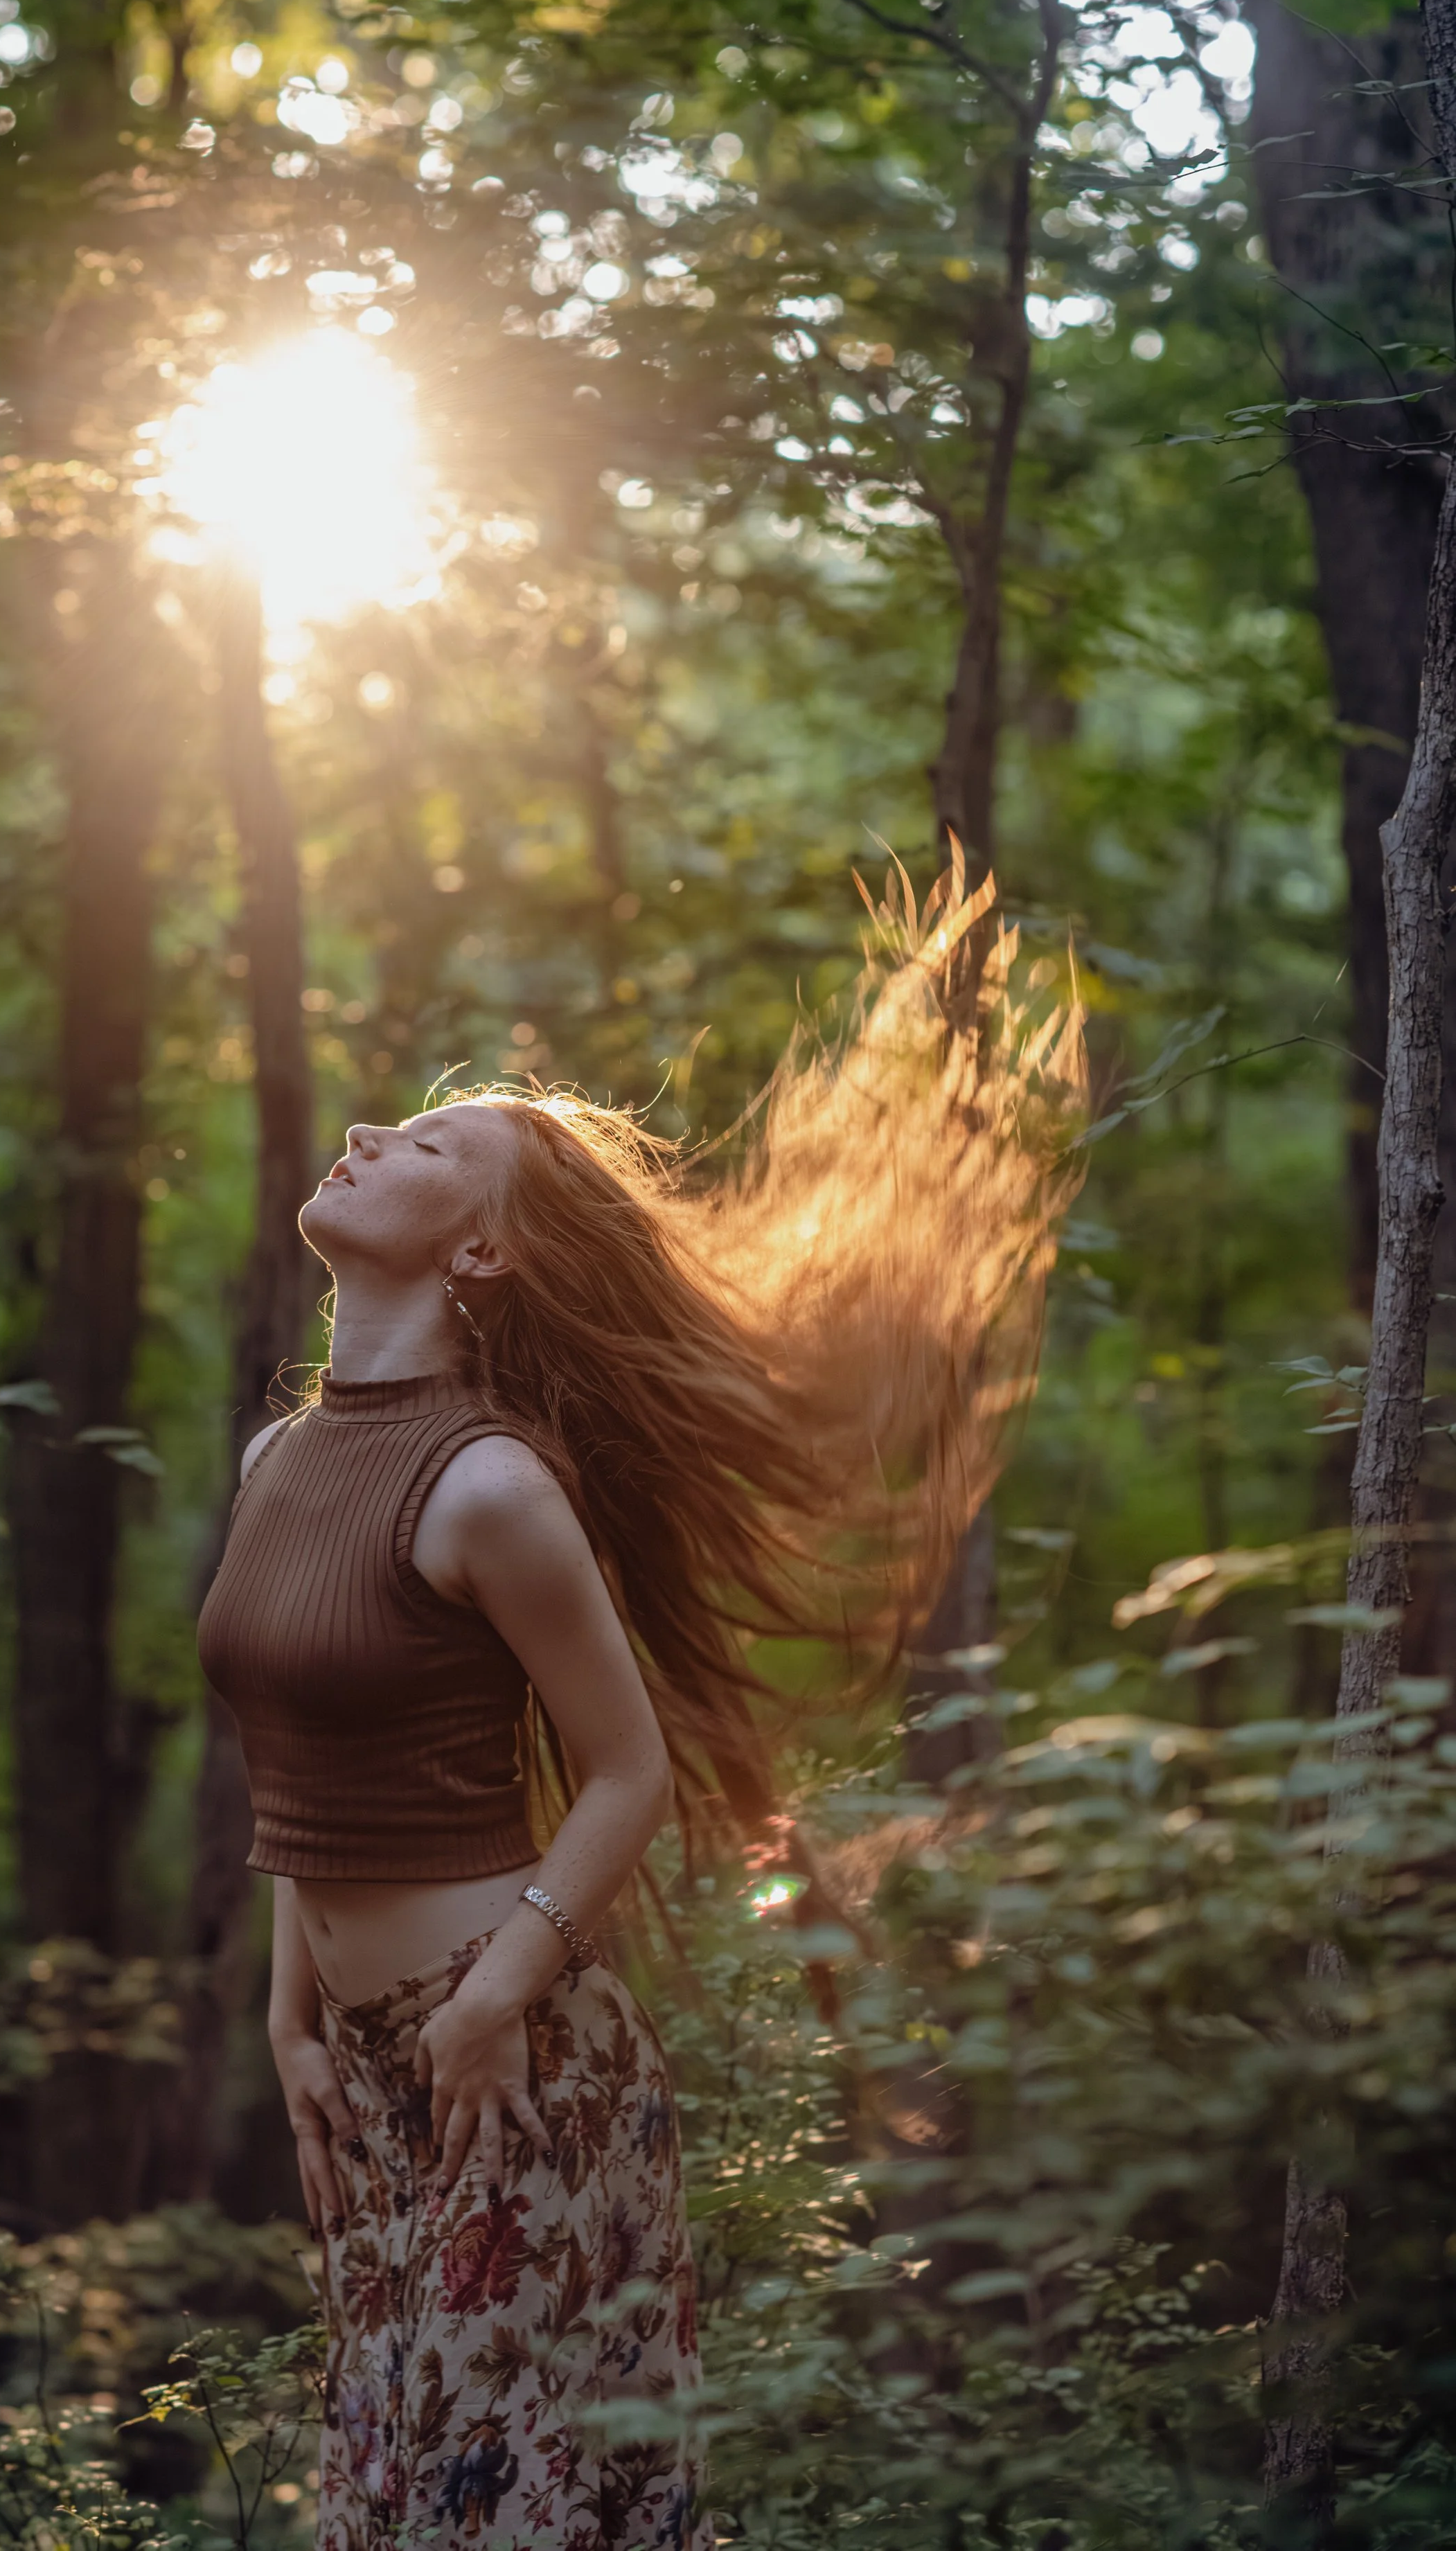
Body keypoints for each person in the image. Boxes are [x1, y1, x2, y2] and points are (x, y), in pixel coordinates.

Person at [196, 863, 1084, 2551]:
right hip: (380, 2059)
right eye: (389, 1122)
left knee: (493, 2512)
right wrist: (289, 2015)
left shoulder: (486, 1488)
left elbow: (629, 1774)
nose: (374, 1132)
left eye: (434, 1146)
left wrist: (490, 2001)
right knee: (385, 2497)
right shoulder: (274, 1461)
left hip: (513, 2055)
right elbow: (298, 1774)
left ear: (481, 1248)